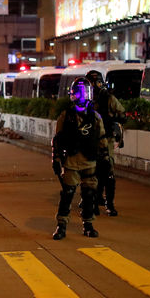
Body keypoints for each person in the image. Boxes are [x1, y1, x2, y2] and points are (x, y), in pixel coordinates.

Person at [51, 77, 108, 240]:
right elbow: (58, 139)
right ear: (73, 95)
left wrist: (105, 159)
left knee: (89, 194)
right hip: (72, 161)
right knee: (68, 194)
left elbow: (102, 138)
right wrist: (55, 158)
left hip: (90, 161)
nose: (82, 96)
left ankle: (88, 225)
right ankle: (61, 225)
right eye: (79, 93)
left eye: (84, 93)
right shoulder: (66, 116)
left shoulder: (95, 117)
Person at [85, 70, 127, 216]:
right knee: (91, 174)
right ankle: (94, 203)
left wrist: (111, 121)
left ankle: (109, 203)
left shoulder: (107, 98)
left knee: (107, 173)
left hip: (105, 139)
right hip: (89, 141)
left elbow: (122, 114)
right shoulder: (83, 99)